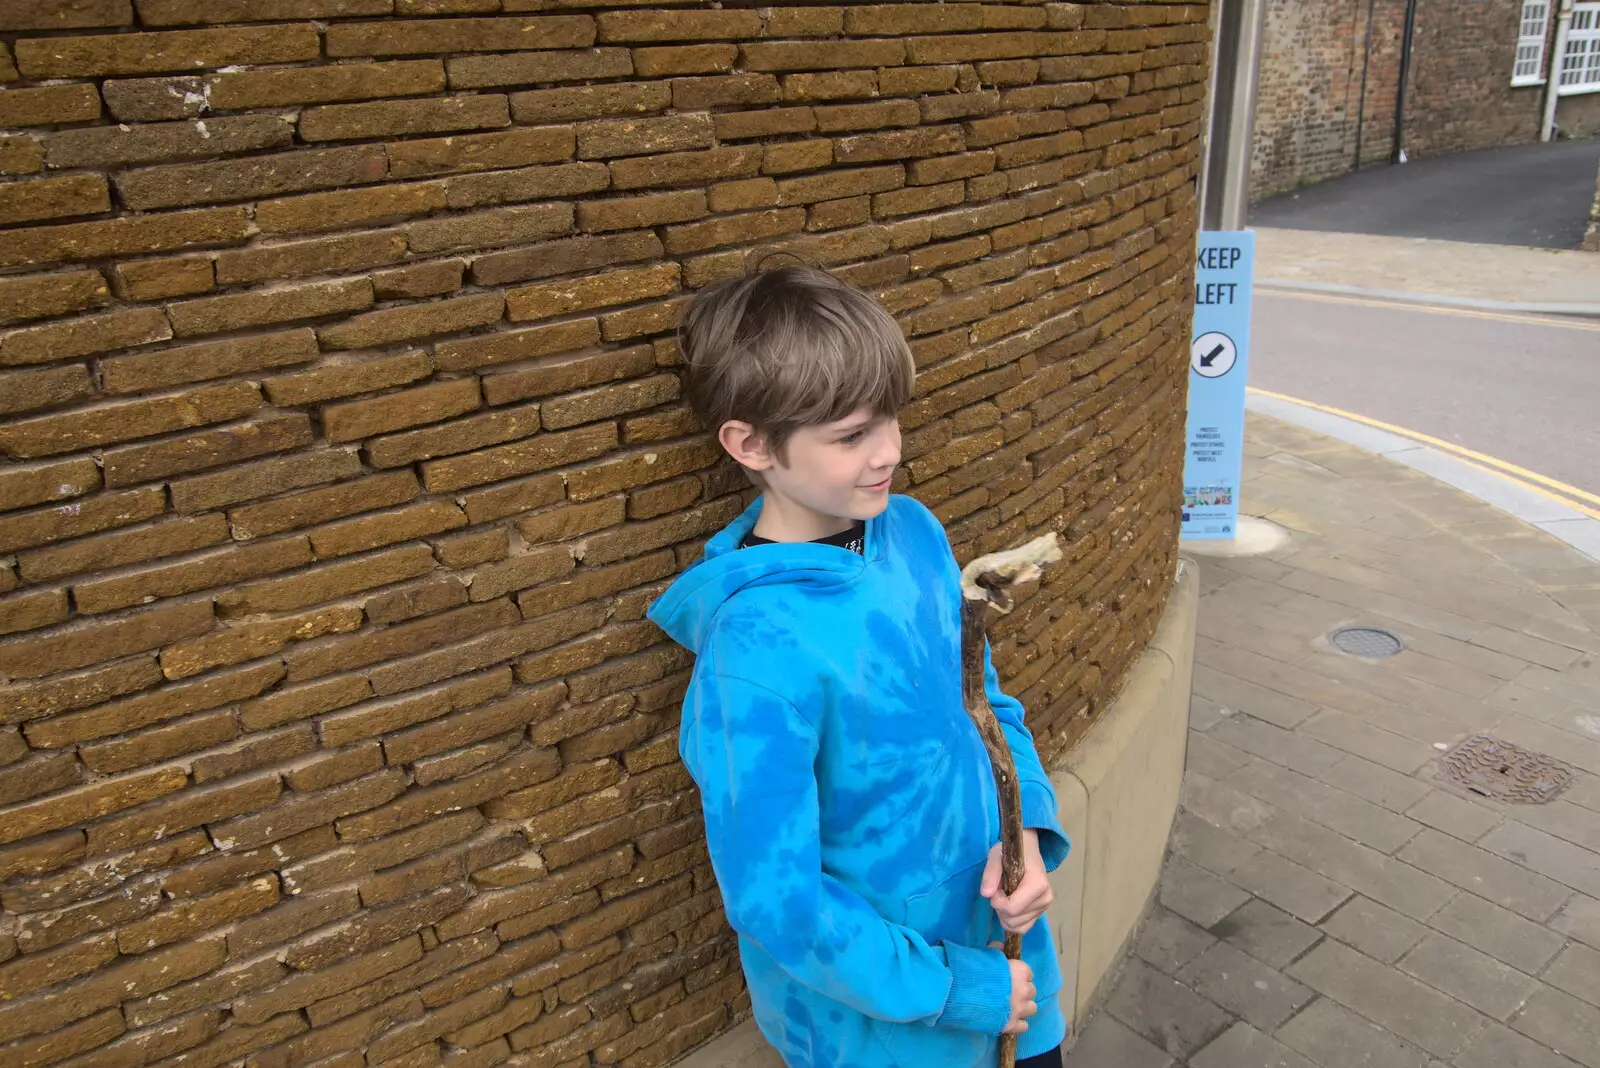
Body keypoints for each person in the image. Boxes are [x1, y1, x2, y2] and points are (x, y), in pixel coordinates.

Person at [648, 263, 1072, 1068]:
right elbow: (779, 899)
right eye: (851, 436)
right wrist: (960, 989)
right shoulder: (754, 648)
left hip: (1016, 966)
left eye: (891, 421)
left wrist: (1026, 833)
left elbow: (986, 707)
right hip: (890, 1032)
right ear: (749, 443)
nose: (889, 453)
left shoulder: (913, 531)